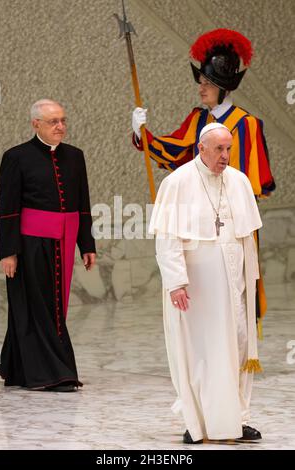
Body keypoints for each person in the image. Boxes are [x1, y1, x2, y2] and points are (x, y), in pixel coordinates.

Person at [133, 28, 275, 327]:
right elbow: (174, 151)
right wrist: (141, 133)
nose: (201, 88)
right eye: (201, 82)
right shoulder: (198, 119)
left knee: (239, 288)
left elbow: (254, 182)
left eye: (207, 83)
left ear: (223, 87)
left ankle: (241, 345)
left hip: (235, 221)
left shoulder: (247, 124)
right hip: (200, 219)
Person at [149, 122, 263, 443]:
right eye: (219, 149)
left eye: (229, 149)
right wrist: (176, 282)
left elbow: (247, 240)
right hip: (197, 288)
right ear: (201, 148)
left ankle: (237, 420)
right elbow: (167, 238)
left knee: (238, 348)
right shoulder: (178, 183)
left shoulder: (239, 181)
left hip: (234, 286)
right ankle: (197, 423)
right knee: (201, 352)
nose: (225, 156)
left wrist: (250, 282)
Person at [0, 99, 96, 392]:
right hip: (29, 245)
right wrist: (8, 252)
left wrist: (86, 244)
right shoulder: (16, 157)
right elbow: (7, 208)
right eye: (53, 122)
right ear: (35, 124)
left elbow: (83, 204)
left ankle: (17, 367)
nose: (61, 127)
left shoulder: (75, 157)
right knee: (38, 306)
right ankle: (53, 373)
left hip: (62, 243)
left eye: (63, 120)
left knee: (48, 306)